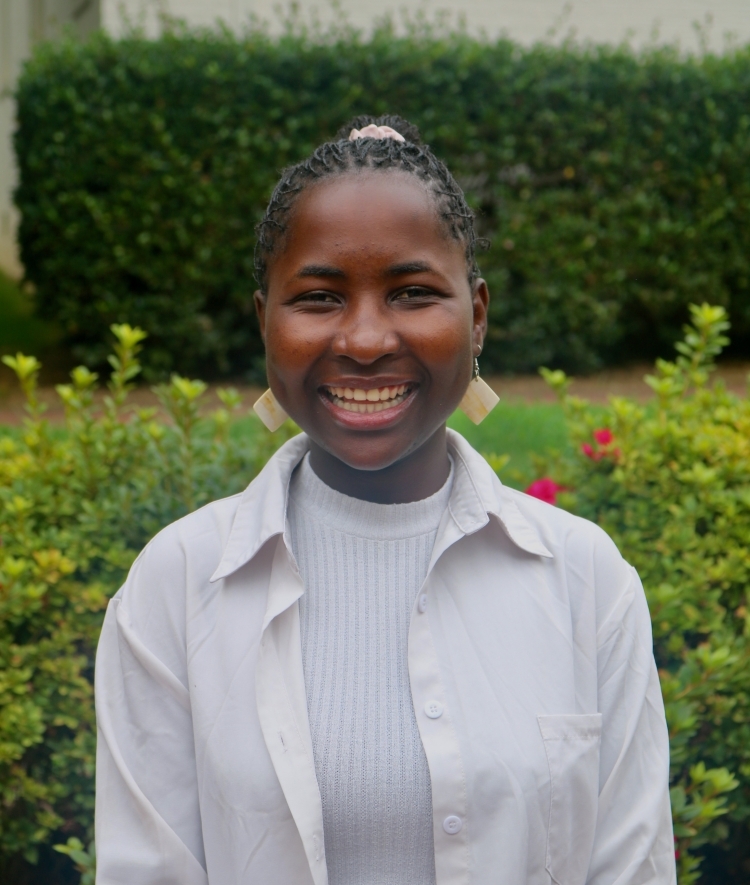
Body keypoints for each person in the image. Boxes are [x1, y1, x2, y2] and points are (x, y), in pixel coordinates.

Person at [94, 115, 676, 885]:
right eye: (319, 296)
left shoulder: (584, 578)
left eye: (411, 292)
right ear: (263, 318)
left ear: (477, 317)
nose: (366, 339)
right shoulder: (177, 582)